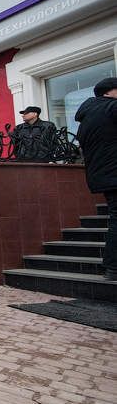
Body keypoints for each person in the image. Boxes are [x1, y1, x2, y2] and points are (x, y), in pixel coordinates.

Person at [75, 78, 117, 281]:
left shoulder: (86, 118)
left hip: (102, 175)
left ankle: (112, 267)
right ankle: (113, 267)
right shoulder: (112, 108)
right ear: (110, 92)